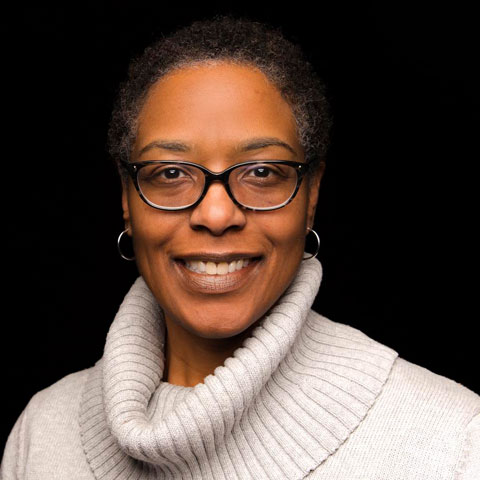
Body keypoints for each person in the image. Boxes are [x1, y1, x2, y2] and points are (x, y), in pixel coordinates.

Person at [1, 15, 479, 480]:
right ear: (127, 199)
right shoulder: (43, 432)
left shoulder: (452, 438)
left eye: (261, 172)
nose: (215, 214)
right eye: (170, 173)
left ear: (311, 195)